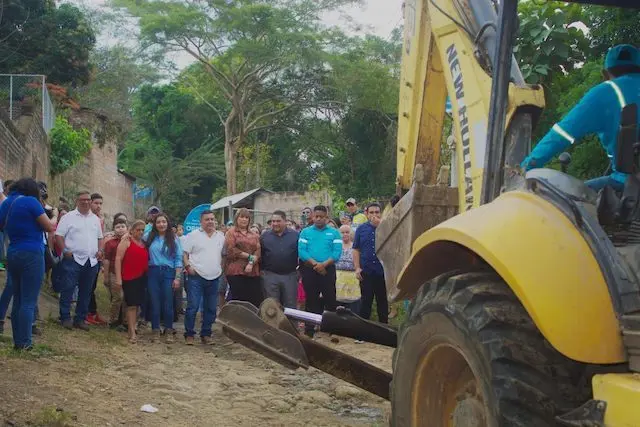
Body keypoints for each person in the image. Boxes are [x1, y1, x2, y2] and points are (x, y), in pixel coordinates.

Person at [522, 44, 640, 192]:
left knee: (573, 198)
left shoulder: (605, 93)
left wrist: (526, 167)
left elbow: (562, 134)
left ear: (605, 74)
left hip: (628, 184)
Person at [0, 178, 56, 349]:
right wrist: (54, 216)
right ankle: (25, 342)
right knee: (28, 300)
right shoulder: (31, 201)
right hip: (31, 252)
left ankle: (18, 340)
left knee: (17, 299)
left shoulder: (7, 202)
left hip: (13, 251)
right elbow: (48, 227)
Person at [55, 191, 104, 331]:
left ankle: (80, 318)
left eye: (88, 200)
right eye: (83, 200)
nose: (86, 202)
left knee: (86, 291)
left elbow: (100, 238)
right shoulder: (68, 217)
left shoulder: (95, 219)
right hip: (73, 260)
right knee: (68, 288)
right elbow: (58, 235)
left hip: (91, 261)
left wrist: (100, 250)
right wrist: (65, 250)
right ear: (77, 201)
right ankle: (65, 317)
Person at [298, 205, 342, 337]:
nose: (318, 219)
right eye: (316, 216)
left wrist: (324, 264)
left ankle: (332, 330)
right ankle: (309, 330)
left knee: (330, 299)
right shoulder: (305, 232)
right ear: (313, 217)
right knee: (311, 300)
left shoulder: (334, 233)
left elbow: (337, 253)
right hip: (310, 270)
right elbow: (302, 251)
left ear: (326, 218)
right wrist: (315, 264)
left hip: (328, 270)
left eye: (321, 217)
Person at [182, 210, 225, 345]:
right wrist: (188, 267)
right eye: (207, 219)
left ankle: (206, 334)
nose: (210, 222)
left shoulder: (221, 237)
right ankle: (189, 334)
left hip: (214, 277)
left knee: (211, 307)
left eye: (212, 219)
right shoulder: (193, 235)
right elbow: (184, 253)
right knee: (193, 306)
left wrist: (221, 268)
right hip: (197, 277)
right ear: (201, 222)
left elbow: (223, 255)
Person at [145, 213, 183, 343]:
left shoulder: (174, 239)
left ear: (168, 223)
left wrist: (177, 278)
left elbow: (178, 259)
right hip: (153, 272)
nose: (161, 224)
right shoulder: (149, 237)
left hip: (169, 272)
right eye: (158, 222)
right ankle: (155, 329)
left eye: (164, 222)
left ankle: (168, 329)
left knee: (168, 302)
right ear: (155, 225)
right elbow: (136, 238)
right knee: (154, 302)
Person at [353, 202, 388, 324]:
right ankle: (364, 333)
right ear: (366, 214)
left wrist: (381, 226)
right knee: (365, 303)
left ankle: (384, 332)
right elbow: (356, 249)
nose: (374, 215)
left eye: (377, 212)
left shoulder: (387, 227)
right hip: (366, 271)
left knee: (382, 303)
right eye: (371, 212)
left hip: (382, 271)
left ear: (381, 213)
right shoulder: (361, 229)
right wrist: (357, 268)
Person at [114, 220, 148, 344]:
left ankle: (132, 327)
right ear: (132, 230)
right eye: (138, 229)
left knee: (137, 304)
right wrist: (118, 279)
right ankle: (132, 331)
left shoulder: (144, 243)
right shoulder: (126, 241)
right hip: (129, 277)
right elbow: (118, 259)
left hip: (142, 277)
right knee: (131, 305)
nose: (140, 232)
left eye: (142, 230)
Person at [224, 208, 263, 308]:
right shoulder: (231, 232)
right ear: (237, 218)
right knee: (238, 301)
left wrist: (251, 262)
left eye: (246, 217)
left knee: (254, 300)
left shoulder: (254, 234)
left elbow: (258, 250)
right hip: (236, 271)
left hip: (253, 271)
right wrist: (249, 256)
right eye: (242, 217)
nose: (244, 219)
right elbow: (231, 249)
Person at [260, 210, 299, 309]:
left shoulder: (295, 235)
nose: (275, 224)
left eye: (278, 221)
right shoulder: (264, 236)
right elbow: (260, 254)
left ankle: (291, 325)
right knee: (272, 307)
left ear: (285, 221)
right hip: (270, 276)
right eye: (273, 221)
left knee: (290, 306)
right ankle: (273, 325)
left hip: (290, 276)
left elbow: (301, 255)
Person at [103, 217, 128, 329]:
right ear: (114, 229)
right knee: (118, 297)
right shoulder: (110, 243)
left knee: (127, 298)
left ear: (127, 228)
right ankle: (112, 320)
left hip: (127, 274)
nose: (120, 229)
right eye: (118, 227)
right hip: (113, 273)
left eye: (123, 226)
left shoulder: (130, 242)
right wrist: (106, 276)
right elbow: (107, 260)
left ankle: (125, 321)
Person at [87, 193, 107, 325]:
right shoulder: (86, 217)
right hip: (86, 256)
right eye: (96, 203)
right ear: (90, 203)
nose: (98, 206)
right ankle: (88, 313)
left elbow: (102, 238)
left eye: (100, 203)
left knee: (92, 286)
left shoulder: (100, 219)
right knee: (87, 286)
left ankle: (92, 312)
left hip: (97, 257)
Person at [335, 225, 361, 314]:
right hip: (338, 278)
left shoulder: (356, 247)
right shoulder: (335, 246)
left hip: (353, 279)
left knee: (353, 308)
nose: (345, 234)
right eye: (342, 232)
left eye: (347, 232)